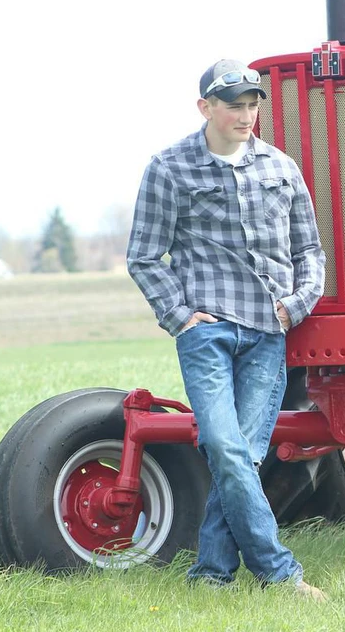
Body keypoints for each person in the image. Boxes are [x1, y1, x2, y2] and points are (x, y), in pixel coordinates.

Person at [126, 58, 327, 600]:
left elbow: (309, 251)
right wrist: (181, 318)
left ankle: (211, 574)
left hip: (268, 333)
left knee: (241, 454)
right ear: (205, 108)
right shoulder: (169, 169)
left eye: (252, 104)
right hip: (207, 335)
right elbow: (145, 256)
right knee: (223, 442)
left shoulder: (281, 169)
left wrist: (295, 307)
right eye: (233, 105)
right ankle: (279, 574)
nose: (245, 114)